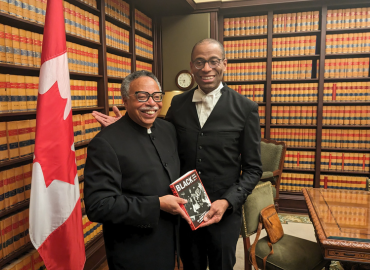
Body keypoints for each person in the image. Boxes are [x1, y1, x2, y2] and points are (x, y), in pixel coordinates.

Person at [92, 38, 262, 270]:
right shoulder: (179, 103)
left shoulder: (246, 108)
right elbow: (157, 136)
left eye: (213, 61)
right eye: (200, 62)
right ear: (191, 67)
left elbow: (253, 169)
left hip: (224, 212)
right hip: (183, 211)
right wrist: (127, 128)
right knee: (190, 264)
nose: (206, 68)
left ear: (224, 64)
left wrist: (227, 202)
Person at [84, 70, 191, 270]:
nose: (151, 103)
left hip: (171, 241)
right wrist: (156, 204)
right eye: (142, 96)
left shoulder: (167, 129)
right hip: (134, 251)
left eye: (157, 96)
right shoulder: (105, 143)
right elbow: (98, 206)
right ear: (125, 100)